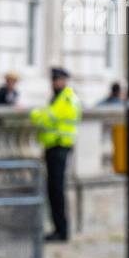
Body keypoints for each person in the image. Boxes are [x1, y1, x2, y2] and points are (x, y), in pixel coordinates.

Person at [30, 66, 81, 242]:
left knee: (57, 190)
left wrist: (35, 114)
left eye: (57, 79)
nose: (54, 83)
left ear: (63, 80)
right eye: (53, 80)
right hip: (54, 146)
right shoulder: (59, 97)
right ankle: (59, 229)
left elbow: (47, 117)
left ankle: (61, 230)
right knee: (53, 190)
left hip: (60, 147)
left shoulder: (66, 98)